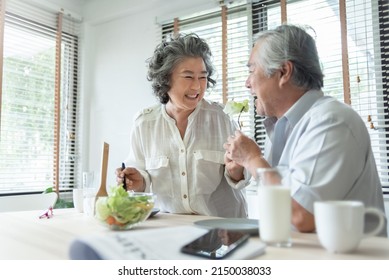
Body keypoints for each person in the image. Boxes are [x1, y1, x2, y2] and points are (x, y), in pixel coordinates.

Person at [223, 24, 387, 236]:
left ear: (283, 72)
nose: (247, 83)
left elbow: (301, 215)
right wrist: (243, 167)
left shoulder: (332, 122)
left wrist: (253, 159)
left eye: (252, 71)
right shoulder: (281, 126)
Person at [116, 33, 249, 218]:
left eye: (202, 77)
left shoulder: (222, 119)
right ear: (165, 79)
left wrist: (238, 172)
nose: (197, 87)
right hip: (173, 231)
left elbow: (244, 176)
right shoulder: (144, 124)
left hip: (223, 234)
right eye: (188, 77)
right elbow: (140, 176)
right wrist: (137, 182)